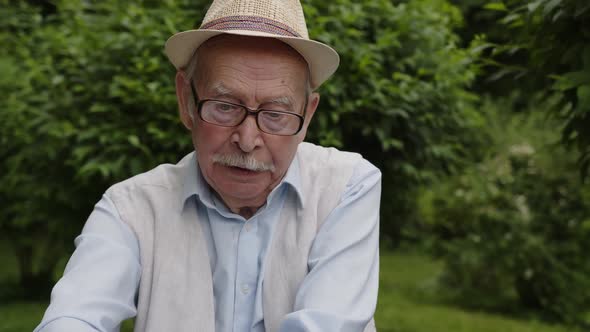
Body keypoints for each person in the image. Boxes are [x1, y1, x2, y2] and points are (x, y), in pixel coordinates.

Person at [34, 0, 381, 331]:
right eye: (225, 106)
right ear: (186, 100)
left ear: (307, 116)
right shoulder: (130, 209)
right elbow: (74, 316)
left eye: (276, 114)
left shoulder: (347, 186)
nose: (247, 140)